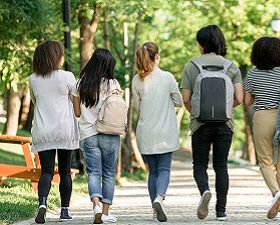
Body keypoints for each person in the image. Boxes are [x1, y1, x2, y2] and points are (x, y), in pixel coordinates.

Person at [180, 25, 243, 221]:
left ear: (201, 45)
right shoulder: (231, 67)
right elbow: (239, 98)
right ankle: (221, 211)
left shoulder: (192, 66)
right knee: (221, 166)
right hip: (225, 124)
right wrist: (225, 110)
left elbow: (186, 98)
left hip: (200, 124)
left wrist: (198, 112)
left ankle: (205, 191)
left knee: (199, 163)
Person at [243, 37, 280, 221]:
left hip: (263, 117)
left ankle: (275, 193)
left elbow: (247, 101)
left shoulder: (252, 74)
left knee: (266, 162)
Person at [132, 42, 183, 222]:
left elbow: (138, 107)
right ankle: (159, 198)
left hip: (145, 132)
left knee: (152, 172)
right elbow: (179, 101)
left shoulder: (137, 80)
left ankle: (155, 210)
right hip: (165, 132)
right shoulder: (168, 77)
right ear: (157, 57)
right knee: (164, 169)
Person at [29, 40, 79, 223]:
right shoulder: (67, 76)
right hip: (64, 130)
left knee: (46, 171)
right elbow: (76, 105)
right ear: (55, 56)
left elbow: (35, 102)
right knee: (65, 171)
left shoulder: (33, 79)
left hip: (43, 131)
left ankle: (42, 204)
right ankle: (64, 212)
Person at [72, 48, 122, 224]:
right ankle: (106, 213)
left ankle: (96, 207)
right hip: (110, 133)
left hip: (88, 134)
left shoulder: (79, 84)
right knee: (108, 173)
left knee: (93, 173)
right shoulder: (113, 84)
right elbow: (117, 108)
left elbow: (77, 113)